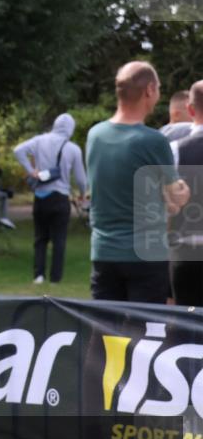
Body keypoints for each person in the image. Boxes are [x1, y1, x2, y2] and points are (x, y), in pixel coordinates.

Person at [85, 61, 191, 303]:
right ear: (149, 90)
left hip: (103, 251)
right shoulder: (153, 141)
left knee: (103, 330)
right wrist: (181, 191)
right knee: (143, 336)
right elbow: (176, 198)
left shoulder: (95, 136)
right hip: (146, 256)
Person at [13, 113, 87, 283]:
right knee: (59, 239)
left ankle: (38, 275)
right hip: (60, 197)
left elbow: (18, 150)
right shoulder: (73, 148)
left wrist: (30, 171)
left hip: (40, 196)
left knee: (40, 238)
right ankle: (55, 278)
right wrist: (82, 195)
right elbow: (81, 179)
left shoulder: (39, 140)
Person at [170, 80, 203, 305]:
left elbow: (165, 209)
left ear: (190, 109)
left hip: (185, 252)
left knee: (184, 330)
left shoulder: (175, 150)